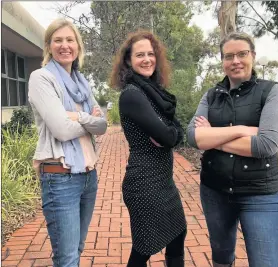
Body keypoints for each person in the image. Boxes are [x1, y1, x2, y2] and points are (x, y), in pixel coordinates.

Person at [187, 32, 278, 267]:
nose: (235, 61)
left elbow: (266, 145)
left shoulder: (272, 91)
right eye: (228, 56)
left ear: (253, 56)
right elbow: (193, 136)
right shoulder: (212, 95)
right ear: (222, 61)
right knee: (221, 259)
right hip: (215, 190)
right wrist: (243, 129)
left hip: (260, 194)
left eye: (242, 54)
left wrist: (213, 137)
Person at [28, 18, 107, 267]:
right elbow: (61, 130)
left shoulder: (82, 83)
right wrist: (88, 122)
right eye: (58, 40)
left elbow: (103, 125)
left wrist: (78, 116)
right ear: (49, 46)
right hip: (60, 178)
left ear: (78, 46)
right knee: (67, 258)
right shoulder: (41, 78)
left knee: (77, 249)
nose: (65, 45)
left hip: (88, 177)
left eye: (70, 40)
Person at [109, 30, 187, 267]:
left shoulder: (152, 93)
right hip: (144, 183)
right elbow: (169, 135)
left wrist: (171, 132)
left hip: (163, 181)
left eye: (150, 54)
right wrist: (170, 133)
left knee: (177, 235)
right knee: (144, 247)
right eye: (139, 55)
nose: (146, 59)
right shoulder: (132, 94)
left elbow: (175, 131)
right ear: (129, 61)